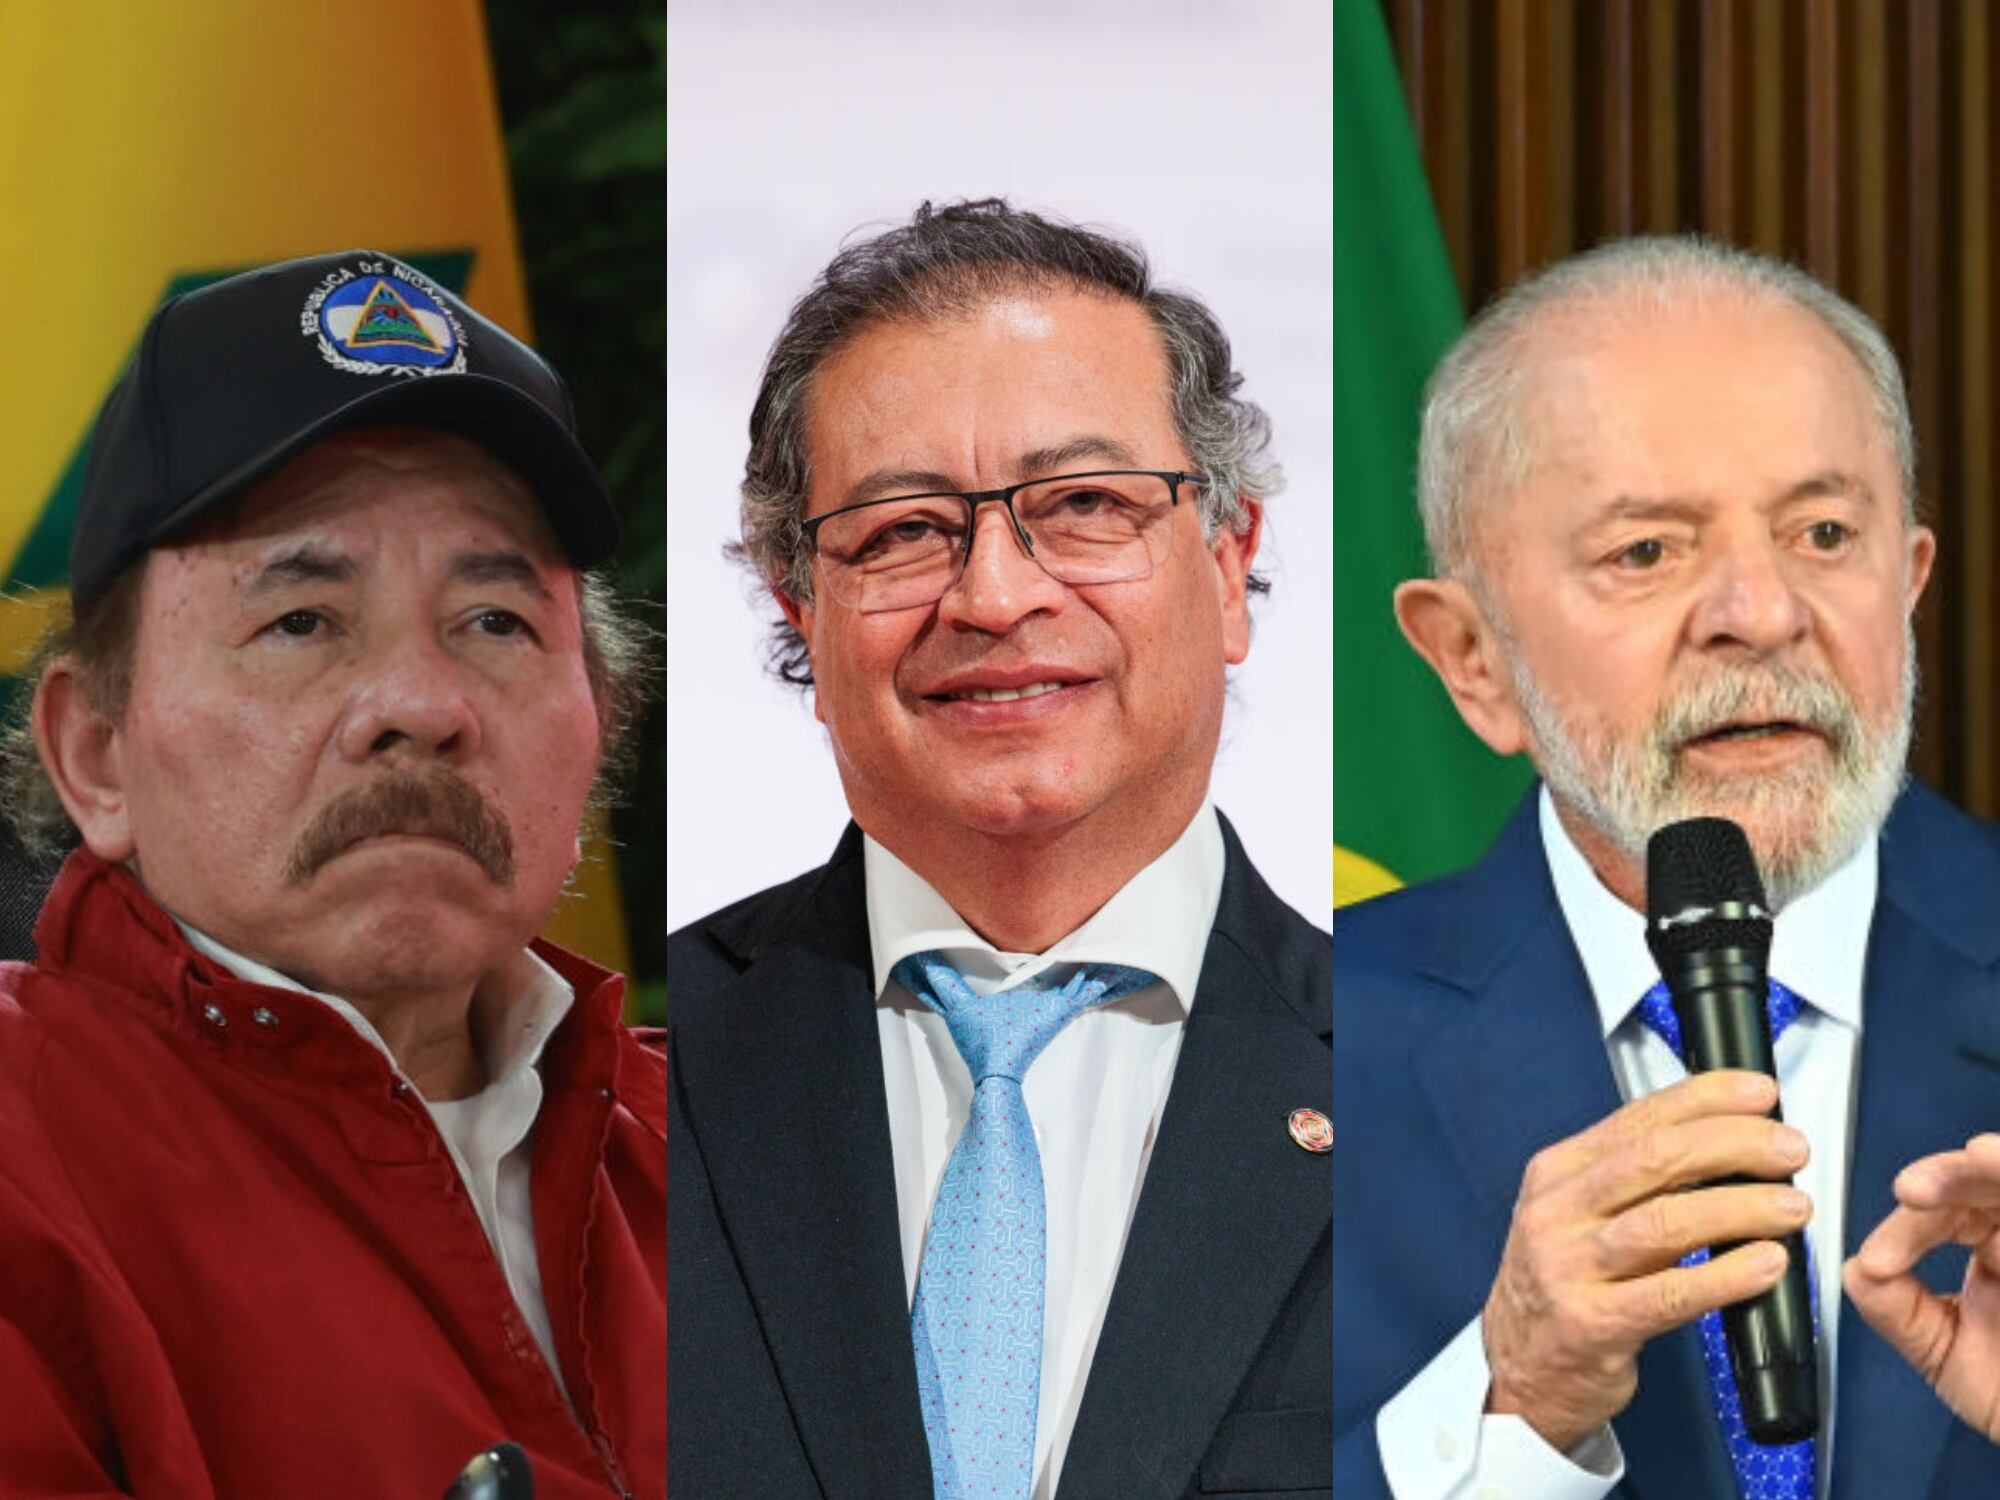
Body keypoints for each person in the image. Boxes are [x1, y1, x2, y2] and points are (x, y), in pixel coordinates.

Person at [668, 199, 1331, 1499]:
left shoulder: (1410, 1079)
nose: (994, 594)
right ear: (799, 604)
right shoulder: (633, 1080)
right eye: (903, 531)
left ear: (1228, 558)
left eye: (1082, 504)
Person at [1334, 236, 2000, 1499]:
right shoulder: (1287, 1042)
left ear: (1906, 585)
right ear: (1471, 658)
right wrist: (1511, 1409)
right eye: (1645, 551)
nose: (1760, 612)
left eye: (1821, 533)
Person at [0, 251, 663, 1497]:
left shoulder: (754, 1158)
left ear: (599, 729)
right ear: (96, 753)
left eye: (496, 623)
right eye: (299, 621)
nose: (421, 705)